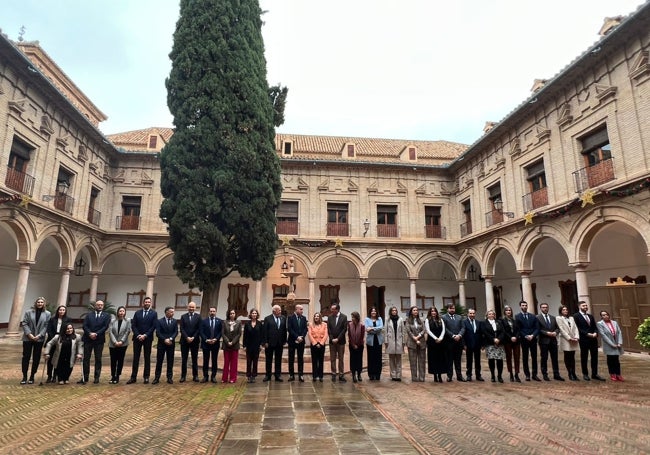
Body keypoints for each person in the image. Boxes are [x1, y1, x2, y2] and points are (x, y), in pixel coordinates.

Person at [20, 297, 51, 384]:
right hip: (27, 338)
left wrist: (39, 335)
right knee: (26, 357)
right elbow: (24, 323)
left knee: (36, 358)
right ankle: (24, 376)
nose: (40, 304)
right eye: (38, 302)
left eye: (41, 302)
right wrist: (29, 334)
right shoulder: (28, 312)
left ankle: (32, 376)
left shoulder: (47, 313)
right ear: (36, 303)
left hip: (39, 339)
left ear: (44, 303)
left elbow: (46, 325)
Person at [127, 296, 157, 384]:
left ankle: (146, 377)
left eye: (149, 302)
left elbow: (153, 326)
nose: (147, 303)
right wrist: (138, 335)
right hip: (137, 338)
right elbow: (134, 325)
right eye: (146, 302)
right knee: (136, 358)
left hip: (147, 339)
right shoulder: (137, 313)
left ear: (150, 303)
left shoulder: (154, 313)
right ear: (143, 303)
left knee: (147, 358)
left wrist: (145, 335)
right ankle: (133, 377)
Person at [80, 300, 111, 384]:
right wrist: (90, 333)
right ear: (95, 306)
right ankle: (85, 377)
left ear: (103, 306)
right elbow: (84, 325)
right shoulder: (89, 315)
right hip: (88, 339)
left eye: (101, 305)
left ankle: (96, 377)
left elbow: (105, 327)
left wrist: (96, 334)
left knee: (98, 359)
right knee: (86, 359)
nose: (100, 306)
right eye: (98, 305)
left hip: (99, 340)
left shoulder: (107, 316)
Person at [574, 301, 605, 381]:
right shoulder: (576, 316)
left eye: (586, 305)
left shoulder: (590, 316)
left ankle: (594, 374)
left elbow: (594, 326)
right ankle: (585, 374)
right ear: (579, 307)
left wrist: (595, 333)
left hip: (593, 339)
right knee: (584, 357)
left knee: (594, 357)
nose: (585, 307)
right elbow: (577, 328)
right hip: (584, 339)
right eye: (583, 306)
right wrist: (587, 334)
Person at [536, 303, 564, 381]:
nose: (545, 309)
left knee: (555, 358)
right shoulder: (537, 318)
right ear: (540, 308)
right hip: (543, 341)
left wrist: (556, 332)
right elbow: (538, 329)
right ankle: (545, 374)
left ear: (548, 308)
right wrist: (547, 333)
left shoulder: (553, 317)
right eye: (543, 307)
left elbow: (557, 328)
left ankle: (556, 374)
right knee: (544, 358)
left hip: (553, 341)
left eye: (546, 307)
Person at [515, 300, 540, 381]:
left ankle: (534, 374)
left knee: (534, 357)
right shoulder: (517, 316)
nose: (524, 307)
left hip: (533, 339)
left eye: (525, 305)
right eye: (523, 305)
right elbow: (519, 329)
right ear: (520, 306)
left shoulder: (533, 316)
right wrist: (525, 336)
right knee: (525, 357)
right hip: (524, 340)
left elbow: (537, 328)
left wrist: (532, 335)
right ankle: (527, 375)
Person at [45, 304, 71, 383]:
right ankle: (49, 375)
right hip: (52, 339)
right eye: (60, 310)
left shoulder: (68, 319)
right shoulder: (52, 319)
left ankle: (55, 375)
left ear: (65, 311)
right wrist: (54, 338)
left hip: (62, 340)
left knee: (58, 359)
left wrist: (60, 338)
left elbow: (69, 330)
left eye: (63, 310)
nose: (62, 311)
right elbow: (49, 329)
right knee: (50, 359)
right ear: (58, 311)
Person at [597, 310, 624, 381]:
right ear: (601, 317)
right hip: (608, 344)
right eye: (603, 315)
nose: (605, 316)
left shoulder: (614, 322)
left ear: (608, 315)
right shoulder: (600, 324)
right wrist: (612, 344)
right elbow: (603, 335)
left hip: (617, 343)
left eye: (606, 314)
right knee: (610, 360)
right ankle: (612, 374)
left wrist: (619, 342)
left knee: (616, 360)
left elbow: (619, 332)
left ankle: (618, 374)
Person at [153, 306, 177, 384]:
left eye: (173, 312)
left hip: (171, 344)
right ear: (166, 312)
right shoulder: (159, 321)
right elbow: (158, 333)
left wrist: (170, 338)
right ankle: (157, 377)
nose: (172, 313)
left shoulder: (174, 321)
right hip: (161, 344)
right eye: (171, 312)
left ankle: (169, 377)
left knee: (170, 361)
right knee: (159, 361)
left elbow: (176, 332)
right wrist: (164, 339)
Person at [262, 304, 287, 382]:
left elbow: (284, 330)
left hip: (279, 343)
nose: (280, 311)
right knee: (269, 360)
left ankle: (278, 375)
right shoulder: (267, 319)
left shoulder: (283, 318)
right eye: (278, 310)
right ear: (274, 311)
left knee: (278, 359)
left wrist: (284, 340)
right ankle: (268, 375)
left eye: (280, 310)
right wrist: (265, 342)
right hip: (269, 343)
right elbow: (264, 331)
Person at [442, 303, 465, 382]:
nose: (452, 310)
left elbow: (463, 327)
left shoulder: (459, 317)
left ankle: (459, 376)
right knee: (449, 360)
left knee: (458, 360)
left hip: (459, 342)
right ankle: (449, 376)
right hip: (449, 342)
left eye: (453, 308)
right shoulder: (443, 317)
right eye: (451, 308)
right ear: (447, 309)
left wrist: (459, 335)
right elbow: (444, 329)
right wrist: (453, 336)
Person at [556, 305, 580, 381]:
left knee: (572, 357)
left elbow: (575, 328)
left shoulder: (571, 318)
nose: (565, 311)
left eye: (566, 309)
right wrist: (569, 338)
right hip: (565, 340)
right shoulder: (559, 318)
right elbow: (561, 329)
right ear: (561, 311)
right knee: (567, 356)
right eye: (563, 310)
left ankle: (574, 373)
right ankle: (570, 373)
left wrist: (576, 337)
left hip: (574, 339)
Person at [179, 301, 202, 383]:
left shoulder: (198, 317)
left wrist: (193, 337)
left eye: (193, 307)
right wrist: (187, 337)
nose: (191, 308)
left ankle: (195, 376)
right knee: (184, 359)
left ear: (195, 308)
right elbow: (182, 329)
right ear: (187, 307)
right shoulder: (183, 317)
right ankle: (183, 376)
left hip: (194, 341)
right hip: (184, 341)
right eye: (190, 307)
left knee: (194, 359)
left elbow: (199, 329)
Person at [108, 305, 131, 384]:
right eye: (120, 311)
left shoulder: (127, 321)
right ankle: (113, 376)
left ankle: (117, 376)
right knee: (113, 360)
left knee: (120, 360)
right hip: (113, 344)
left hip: (123, 344)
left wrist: (121, 341)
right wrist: (115, 342)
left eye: (123, 311)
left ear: (125, 313)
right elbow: (110, 332)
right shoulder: (112, 321)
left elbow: (127, 331)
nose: (121, 312)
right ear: (117, 312)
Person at [481, 310, 505, 383]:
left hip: (499, 343)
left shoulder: (499, 322)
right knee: (491, 360)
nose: (491, 315)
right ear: (487, 315)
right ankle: (493, 376)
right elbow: (485, 332)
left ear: (494, 315)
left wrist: (499, 339)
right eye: (489, 314)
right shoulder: (484, 323)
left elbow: (503, 331)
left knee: (499, 360)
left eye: (492, 314)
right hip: (490, 343)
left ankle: (499, 376)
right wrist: (493, 339)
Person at [327, 303, 348, 382]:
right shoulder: (329, 317)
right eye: (331, 309)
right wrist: (332, 339)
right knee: (332, 358)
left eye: (333, 309)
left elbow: (344, 329)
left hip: (341, 342)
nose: (331, 310)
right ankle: (333, 374)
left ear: (337, 309)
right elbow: (329, 329)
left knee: (341, 358)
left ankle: (341, 374)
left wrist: (338, 339)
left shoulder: (344, 317)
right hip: (332, 342)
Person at [200, 306, 222, 383]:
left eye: (214, 311)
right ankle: (205, 376)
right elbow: (201, 332)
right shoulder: (204, 321)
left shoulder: (219, 321)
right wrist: (206, 340)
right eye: (211, 311)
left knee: (214, 360)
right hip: (206, 344)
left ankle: (213, 376)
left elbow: (220, 332)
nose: (212, 313)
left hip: (215, 344)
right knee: (205, 361)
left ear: (216, 312)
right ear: (209, 312)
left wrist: (216, 339)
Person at [424, 306, 446, 383]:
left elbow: (443, 329)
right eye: (432, 311)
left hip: (440, 341)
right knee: (433, 359)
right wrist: (435, 338)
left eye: (434, 311)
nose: (433, 312)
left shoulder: (441, 319)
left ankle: (440, 375)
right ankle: (435, 376)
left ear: (436, 312)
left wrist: (440, 338)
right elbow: (428, 331)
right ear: (430, 312)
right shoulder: (427, 320)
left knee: (440, 358)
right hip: (432, 342)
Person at [405, 306, 426, 382]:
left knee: (422, 360)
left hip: (421, 342)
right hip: (411, 343)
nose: (416, 311)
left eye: (417, 310)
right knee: (413, 361)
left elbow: (424, 329)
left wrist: (419, 336)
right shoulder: (408, 320)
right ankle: (414, 377)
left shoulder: (421, 319)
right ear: (411, 311)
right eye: (414, 310)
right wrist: (414, 338)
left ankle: (422, 377)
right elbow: (408, 330)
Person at [287, 304, 308, 382]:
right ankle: (291, 375)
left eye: (302, 309)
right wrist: (296, 337)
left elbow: (305, 329)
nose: (302, 311)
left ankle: (301, 375)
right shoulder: (290, 318)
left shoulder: (304, 318)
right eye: (301, 309)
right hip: (292, 341)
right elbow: (289, 329)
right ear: (296, 309)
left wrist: (301, 337)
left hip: (301, 341)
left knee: (300, 358)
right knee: (291, 358)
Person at [501, 305, 521, 382]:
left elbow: (518, 330)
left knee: (517, 357)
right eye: (507, 310)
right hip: (507, 341)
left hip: (516, 341)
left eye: (510, 310)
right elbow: (503, 331)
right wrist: (510, 337)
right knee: (509, 358)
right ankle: (511, 374)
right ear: (504, 312)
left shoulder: (515, 320)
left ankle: (516, 374)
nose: (508, 311)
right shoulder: (502, 321)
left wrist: (515, 337)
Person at [463, 308, 484, 381]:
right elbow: (463, 334)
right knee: (469, 360)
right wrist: (464, 345)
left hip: (477, 344)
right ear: (468, 314)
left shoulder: (479, 322)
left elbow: (481, 334)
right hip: (468, 345)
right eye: (470, 313)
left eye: (473, 313)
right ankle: (469, 375)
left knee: (478, 361)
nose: (472, 315)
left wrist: (482, 344)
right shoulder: (464, 322)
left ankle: (478, 375)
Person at [384, 306, 405, 381]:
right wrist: (386, 341)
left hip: (399, 340)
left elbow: (403, 331)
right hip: (390, 341)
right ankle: (393, 375)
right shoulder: (387, 319)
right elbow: (385, 330)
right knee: (392, 359)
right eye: (393, 310)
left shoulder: (401, 319)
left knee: (399, 359)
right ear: (390, 311)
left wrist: (403, 341)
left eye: (395, 310)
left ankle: (398, 375)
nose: (394, 312)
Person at [221, 309, 241, 383]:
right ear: (228, 315)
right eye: (230, 313)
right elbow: (223, 333)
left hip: (235, 346)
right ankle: (224, 378)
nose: (232, 314)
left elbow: (239, 334)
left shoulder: (239, 323)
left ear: (235, 314)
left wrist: (232, 342)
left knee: (234, 363)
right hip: (226, 346)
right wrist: (227, 342)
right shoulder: (224, 322)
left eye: (233, 313)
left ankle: (233, 378)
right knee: (226, 362)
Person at [243, 308, 263, 383]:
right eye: (253, 313)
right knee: (248, 361)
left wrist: (261, 344)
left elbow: (261, 335)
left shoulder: (260, 324)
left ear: (257, 315)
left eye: (255, 313)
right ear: (250, 314)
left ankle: (254, 375)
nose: (254, 314)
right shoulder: (247, 324)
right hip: (249, 345)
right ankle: (248, 375)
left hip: (256, 345)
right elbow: (245, 335)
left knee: (255, 361)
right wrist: (244, 345)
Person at [364, 307, 384, 381]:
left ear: (376, 312)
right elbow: (367, 329)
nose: (373, 312)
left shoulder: (380, 319)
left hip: (378, 341)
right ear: (370, 312)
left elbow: (381, 327)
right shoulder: (367, 319)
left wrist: (372, 328)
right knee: (371, 357)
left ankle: (378, 374)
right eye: (372, 311)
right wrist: (376, 329)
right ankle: (371, 374)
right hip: (370, 341)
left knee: (378, 358)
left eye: (375, 311)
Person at [308, 312, 328, 382]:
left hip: (321, 345)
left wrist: (321, 343)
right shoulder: (310, 325)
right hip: (314, 345)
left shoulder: (324, 324)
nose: (316, 317)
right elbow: (310, 334)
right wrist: (315, 343)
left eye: (317, 316)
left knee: (321, 360)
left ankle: (321, 376)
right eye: (315, 316)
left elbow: (326, 334)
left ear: (320, 317)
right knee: (314, 361)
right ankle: (314, 376)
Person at [348, 311, 365, 383]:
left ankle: (359, 374)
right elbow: (349, 335)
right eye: (352, 317)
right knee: (352, 360)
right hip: (352, 346)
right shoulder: (349, 325)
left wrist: (357, 345)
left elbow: (362, 336)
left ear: (357, 317)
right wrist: (353, 344)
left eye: (353, 317)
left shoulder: (362, 326)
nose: (352, 318)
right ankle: (353, 374)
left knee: (359, 360)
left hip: (360, 346)